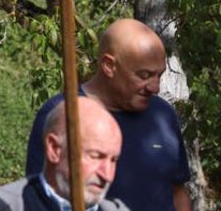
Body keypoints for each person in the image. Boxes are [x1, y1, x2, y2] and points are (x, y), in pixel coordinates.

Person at [24, 18, 192, 211]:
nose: (155, 87)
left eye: (159, 75)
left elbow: (178, 191)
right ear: (109, 66)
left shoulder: (163, 116)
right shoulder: (64, 116)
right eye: (144, 76)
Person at [0, 97, 130, 211]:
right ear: (55, 149)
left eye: (113, 160)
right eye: (95, 156)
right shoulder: (2, 207)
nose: (107, 175)